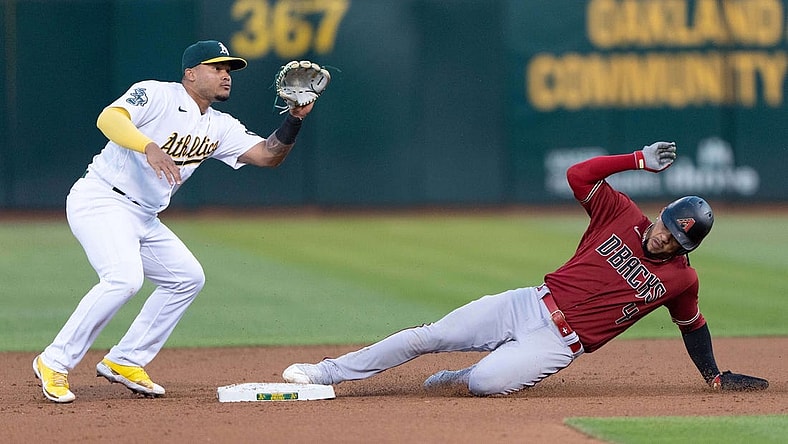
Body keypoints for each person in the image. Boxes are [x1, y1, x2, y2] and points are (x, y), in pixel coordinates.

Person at [283, 142, 769, 395]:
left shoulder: (682, 278)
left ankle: (464, 374)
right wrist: (637, 159)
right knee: (424, 336)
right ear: (661, 214)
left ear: (689, 246)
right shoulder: (621, 214)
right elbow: (577, 176)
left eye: (678, 239)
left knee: (483, 384)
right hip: (529, 302)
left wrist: (713, 376)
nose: (665, 237)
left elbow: (693, 325)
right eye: (667, 226)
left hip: (558, 344)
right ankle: (328, 372)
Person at [33, 40, 316, 403]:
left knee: (186, 278)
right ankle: (54, 361)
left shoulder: (220, 126)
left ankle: (126, 359)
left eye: (228, 70)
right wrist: (148, 145)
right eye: (216, 68)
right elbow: (108, 118)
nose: (225, 76)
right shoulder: (157, 94)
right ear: (190, 73)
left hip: (143, 215)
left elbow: (266, 155)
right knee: (123, 278)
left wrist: (294, 119)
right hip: (102, 199)